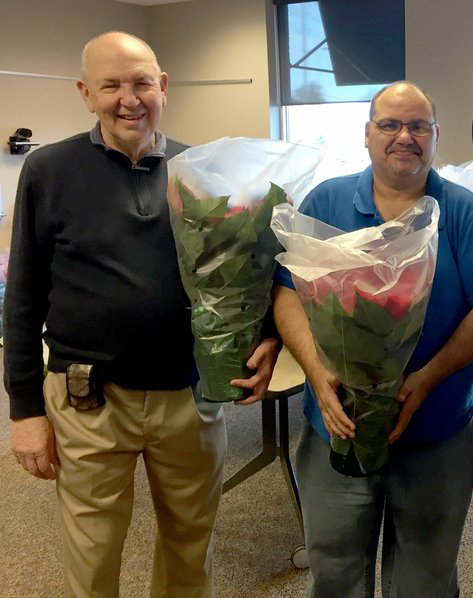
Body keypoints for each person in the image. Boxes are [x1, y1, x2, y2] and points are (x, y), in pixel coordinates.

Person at [4, 31, 280, 597]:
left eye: (141, 83)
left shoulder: (201, 170)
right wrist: (25, 409)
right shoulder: (49, 171)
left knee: (190, 542)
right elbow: (23, 297)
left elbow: (249, 272)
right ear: (86, 94)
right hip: (89, 399)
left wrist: (268, 337)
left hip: (189, 397)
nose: (128, 99)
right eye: (111, 86)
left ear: (164, 88)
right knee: (93, 550)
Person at [272, 80, 473, 597]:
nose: (405, 136)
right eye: (390, 124)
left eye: (418, 126)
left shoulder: (464, 212)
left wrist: (425, 379)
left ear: (436, 136)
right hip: (337, 427)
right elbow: (286, 292)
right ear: (366, 135)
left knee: (425, 577)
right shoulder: (325, 201)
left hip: (435, 434)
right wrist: (316, 371)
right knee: (335, 571)